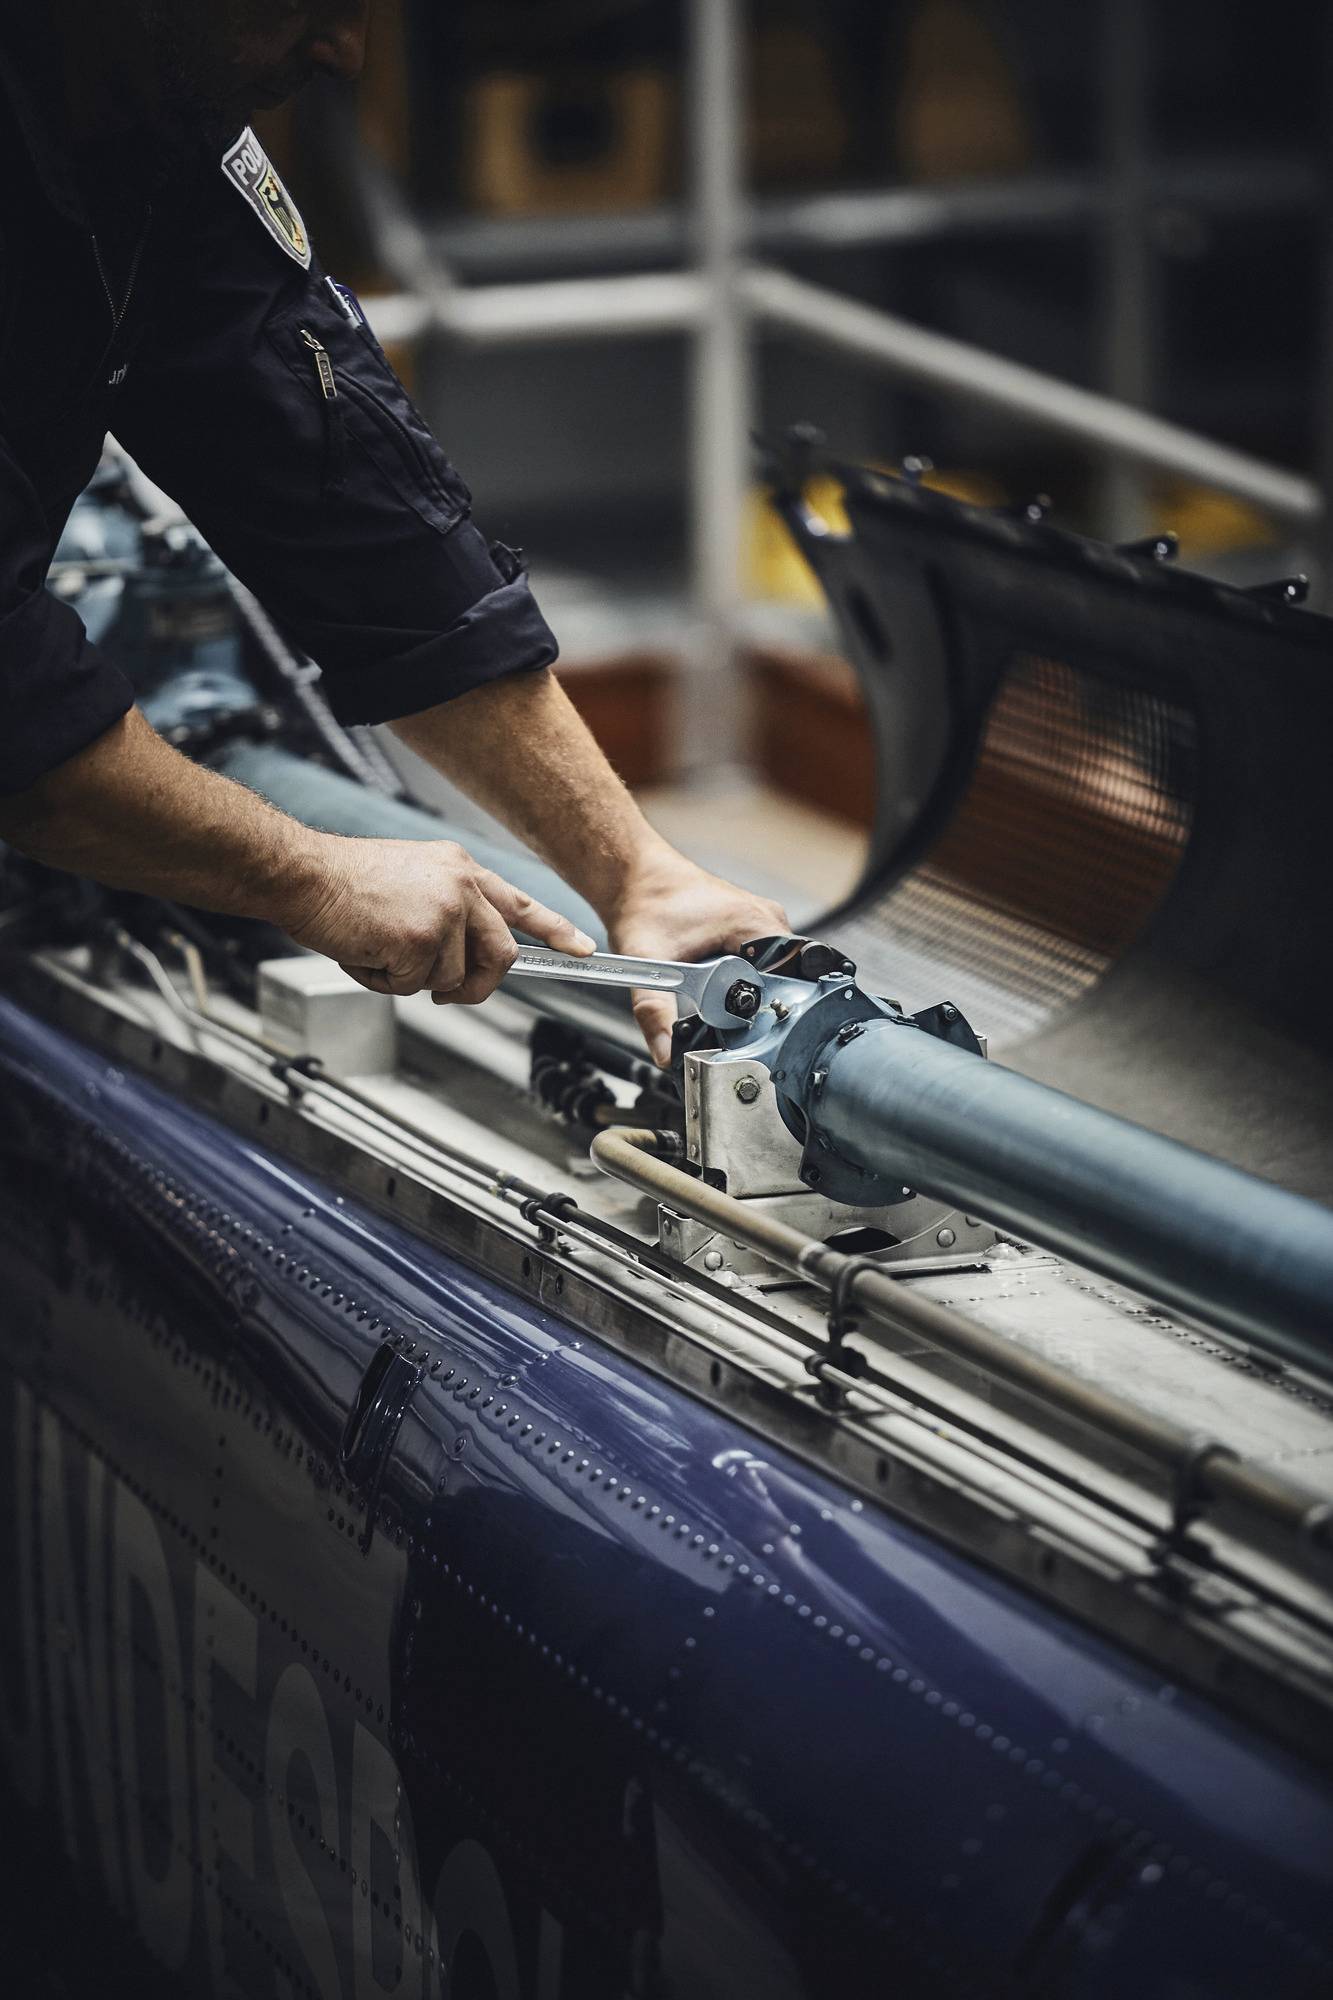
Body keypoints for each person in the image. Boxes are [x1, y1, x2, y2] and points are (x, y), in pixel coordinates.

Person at [0, 1, 786, 1064]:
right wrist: (309, 871)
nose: (345, 52)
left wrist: (631, 869)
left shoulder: (148, 117)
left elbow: (336, 483)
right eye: (304, 7)